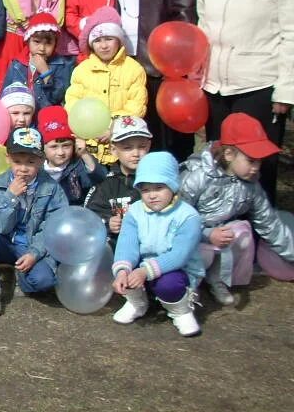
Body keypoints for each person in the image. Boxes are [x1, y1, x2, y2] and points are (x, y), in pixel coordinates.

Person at [198, 0, 293, 201]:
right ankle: (222, 231)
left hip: (258, 86)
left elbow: (291, 34)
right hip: (215, 87)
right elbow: (202, 27)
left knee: (254, 167)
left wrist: (286, 91)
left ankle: (259, 236)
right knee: (220, 161)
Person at [116, 0, 202, 160]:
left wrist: (174, 68)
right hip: (130, 65)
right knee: (136, 142)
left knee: (165, 144)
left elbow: (185, 20)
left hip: (160, 70)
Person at [179, 113, 294, 306]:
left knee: (242, 232)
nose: (256, 167)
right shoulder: (197, 176)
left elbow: (269, 224)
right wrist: (206, 233)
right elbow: (177, 216)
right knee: (199, 252)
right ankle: (190, 284)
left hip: (220, 236)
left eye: (259, 161)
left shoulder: (251, 185)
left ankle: (217, 278)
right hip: (191, 234)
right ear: (229, 154)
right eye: (251, 160)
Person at [0, 127, 66, 316]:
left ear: (41, 160)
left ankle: (21, 278)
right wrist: (11, 197)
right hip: (4, 242)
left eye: (31, 162)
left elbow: (54, 226)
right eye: (17, 162)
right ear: (7, 159)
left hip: (31, 246)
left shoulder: (52, 188)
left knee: (44, 281)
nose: (23, 168)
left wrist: (35, 253)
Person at [111, 151, 204, 335]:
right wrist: (123, 271)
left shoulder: (188, 216)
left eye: (159, 187)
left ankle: (181, 311)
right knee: (123, 267)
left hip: (177, 269)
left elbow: (179, 255)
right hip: (143, 266)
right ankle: (137, 303)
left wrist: (144, 271)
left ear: (173, 186)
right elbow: (127, 245)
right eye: (145, 190)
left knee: (168, 285)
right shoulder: (135, 212)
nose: (152, 195)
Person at [65, 7, 147, 163]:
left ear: (119, 40)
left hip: (122, 146)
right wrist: (83, 131)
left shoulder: (134, 69)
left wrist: (114, 127)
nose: (103, 46)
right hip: (89, 147)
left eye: (109, 39)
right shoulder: (82, 70)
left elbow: (136, 106)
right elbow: (73, 103)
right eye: (97, 41)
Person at [84, 116, 153, 244]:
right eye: (127, 148)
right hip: (118, 251)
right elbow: (89, 218)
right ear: (113, 150)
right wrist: (108, 222)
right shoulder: (105, 185)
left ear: (149, 146)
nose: (136, 153)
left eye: (141, 147)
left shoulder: (158, 181)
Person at [1, 13, 73, 110]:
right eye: (37, 42)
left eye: (48, 43)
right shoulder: (17, 64)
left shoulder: (61, 65)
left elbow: (58, 97)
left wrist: (46, 73)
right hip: (22, 116)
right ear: (28, 41)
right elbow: (5, 94)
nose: (42, 48)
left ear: (55, 44)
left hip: (46, 114)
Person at [36, 105, 104, 206]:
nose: (61, 152)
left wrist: (84, 154)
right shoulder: (37, 169)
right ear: (42, 147)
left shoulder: (77, 166)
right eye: (54, 147)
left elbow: (100, 179)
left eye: (66, 146)